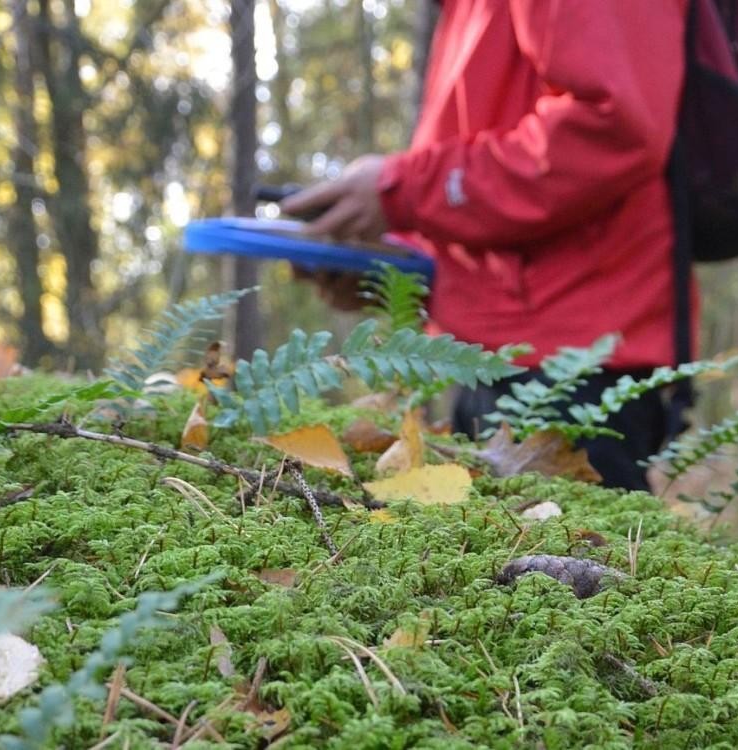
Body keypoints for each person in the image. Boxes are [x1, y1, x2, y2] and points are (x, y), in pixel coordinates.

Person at [282, 0, 693, 492]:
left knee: (579, 563)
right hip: (489, 357)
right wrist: (395, 273)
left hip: (578, 364)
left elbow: (613, 127)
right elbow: (485, 156)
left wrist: (405, 189)